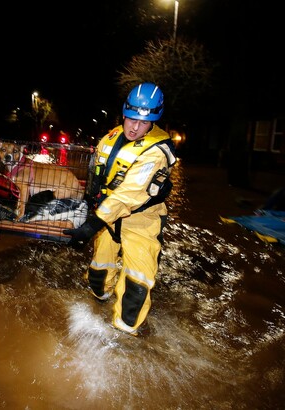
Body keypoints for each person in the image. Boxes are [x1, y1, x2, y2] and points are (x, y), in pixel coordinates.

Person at [63, 82, 177, 336]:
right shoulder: (111, 137)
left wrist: (93, 224)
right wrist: (90, 202)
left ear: (154, 122)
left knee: (137, 282)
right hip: (108, 216)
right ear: (124, 113)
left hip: (141, 220)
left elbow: (130, 193)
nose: (135, 127)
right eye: (132, 118)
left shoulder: (157, 150)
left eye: (144, 123)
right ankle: (100, 299)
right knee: (98, 274)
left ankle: (126, 336)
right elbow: (97, 172)